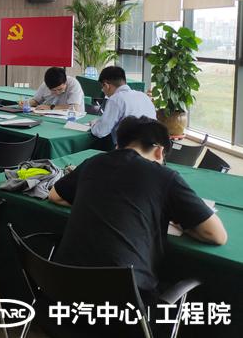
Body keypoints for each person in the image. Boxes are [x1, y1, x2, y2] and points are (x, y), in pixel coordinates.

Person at [48, 116, 227, 311]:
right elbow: (216, 235)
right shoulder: (164, 176)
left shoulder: (93, 162)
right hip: (125, 304)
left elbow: (55, 196)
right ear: (159, 151)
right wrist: (182, 224)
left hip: (63, 291)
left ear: (118, 144)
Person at [90, 66, 156, 144]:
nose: (102, 90)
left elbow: (100, 131)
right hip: (151, 146)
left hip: (129, 148)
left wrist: (93, 125)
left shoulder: (116, 99)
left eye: (102, 87)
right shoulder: (143, 96)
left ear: (106, 85)